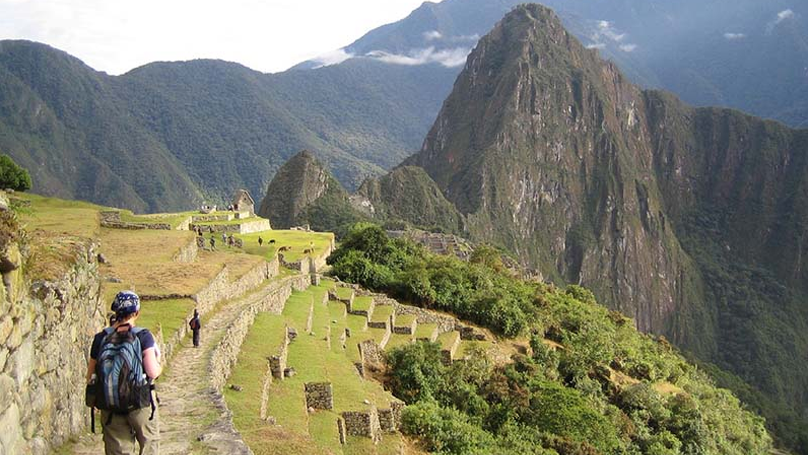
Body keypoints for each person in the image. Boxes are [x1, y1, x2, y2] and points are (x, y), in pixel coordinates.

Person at [87, 291, 162, 455]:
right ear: (136, 312)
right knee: (149, 442)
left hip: (110, 404)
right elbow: (152, 371)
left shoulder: (101, 338)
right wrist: (159, 366)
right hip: (139, 401)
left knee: (117, 450)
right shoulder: (143, 336)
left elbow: (91, 375)